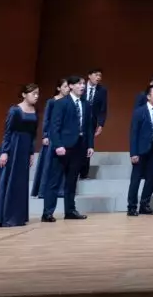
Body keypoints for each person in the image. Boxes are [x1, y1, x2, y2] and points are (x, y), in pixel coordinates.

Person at [0, 84, 39, 227]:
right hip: (13, 147)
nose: (36, 96)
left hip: (24, 149)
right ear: (24, 94)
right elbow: (7, 132)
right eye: (33, 93)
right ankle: (3, 217)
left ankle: (17, 217)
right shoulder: (15, 110)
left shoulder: (35, 111)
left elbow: (33, 134)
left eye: (37, 93)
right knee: (7, 180)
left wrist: (31, 152)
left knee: (20, 183)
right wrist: (5, 152)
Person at [42, 75, 93, 222]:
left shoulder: (86, 104)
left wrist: (90, 145)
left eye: (83, 84)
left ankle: (70, 210)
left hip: (79, 147)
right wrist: (58, 145)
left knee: (72, 181)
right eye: (78, 84)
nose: (82, 86)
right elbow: (54, 126)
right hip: (63, 147)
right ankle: (47, 212)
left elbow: (89, 127)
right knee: (54, 181)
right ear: (70, 86)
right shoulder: (61, 103)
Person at [127, 84, 153, 216]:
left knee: (151, 178)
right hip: (141, 150)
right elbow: (134, 133)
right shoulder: (139, 111)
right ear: (148, 96)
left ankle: (145, 204)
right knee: (136, 179)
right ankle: (132, 206)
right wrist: (133, 153)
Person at [32, 79, 68, 198]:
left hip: (63, 136)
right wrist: (45, 135)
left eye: (68, 86)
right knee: (48, 164)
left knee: (62, 164)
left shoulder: (68, 102)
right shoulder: (52, 102)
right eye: (65, 86)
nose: (67, 89)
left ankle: (60, 190)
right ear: (58, 88)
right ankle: (44, 190)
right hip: (52, 136)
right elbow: (46, 119)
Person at [79, 69, 108, 180]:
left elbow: (103, 109)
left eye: (100, 75)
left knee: (88, 145)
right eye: (96, 75)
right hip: (78, 120)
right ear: (89, 75)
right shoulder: (81, 87)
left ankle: (84, 173)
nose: (98, 77)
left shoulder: (102, 90)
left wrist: (100, 124)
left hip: (91, 122)